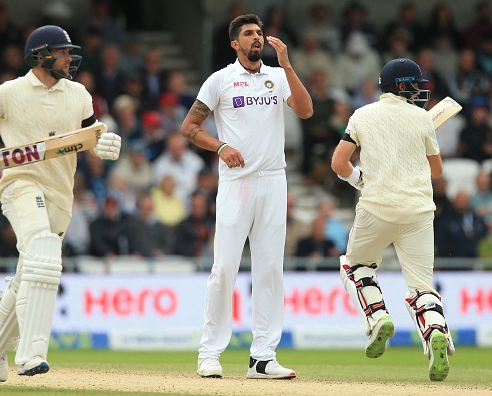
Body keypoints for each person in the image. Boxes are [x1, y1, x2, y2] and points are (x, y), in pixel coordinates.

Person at [0, 25, 121, 382]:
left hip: (60, 193)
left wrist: (104, 141)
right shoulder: (11, 92)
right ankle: (30, 353)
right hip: (20, 183)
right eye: (63, 52)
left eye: (71, 52)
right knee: (43, 255)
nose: (70, 59)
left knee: (32, 270)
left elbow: (91, 133)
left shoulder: (80, 94)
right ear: (40, 55)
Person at [180, 14, 312, 379]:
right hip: (237, 183)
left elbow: (305, 110)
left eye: (259, 33)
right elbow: (189, 127)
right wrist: (220, 147)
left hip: (274, 181)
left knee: (270, 271)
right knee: (224, 268)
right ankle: (209, 353)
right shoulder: (221, 80)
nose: (257, 38)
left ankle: (263, 357)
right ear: (235, 44)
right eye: (248, 34)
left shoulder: (278, 76)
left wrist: (286, 64)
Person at [331, 58, 455, 382]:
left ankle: (378, 319)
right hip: (418, 213)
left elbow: (338, 163)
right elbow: (437, 172)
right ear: (402, 85)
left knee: (354, 267)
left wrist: (359, 179)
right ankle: (435, 332)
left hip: (376, 209)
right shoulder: (422, 119)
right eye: (415, 83)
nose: (419, 90)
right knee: (421, 288)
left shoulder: (361, 115)